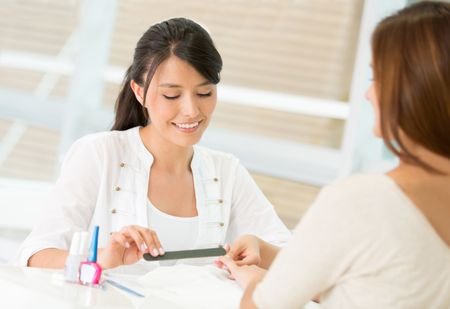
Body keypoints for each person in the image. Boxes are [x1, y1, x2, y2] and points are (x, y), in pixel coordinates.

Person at [218, 2, 450, 308]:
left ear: (411, 91)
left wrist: (256, 285)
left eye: (376, 79)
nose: (369, 94)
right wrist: (267, 251)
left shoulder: (362, 201)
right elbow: (374, 281)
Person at [16, 18, 290, 272]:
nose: (191, 110)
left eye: (204, 93)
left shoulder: (226, 172)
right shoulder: (99, 155)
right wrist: (101, 259)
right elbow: (34, 255)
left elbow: (301, 265)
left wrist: (261, 249)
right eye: (171, 95)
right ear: (139, 92)